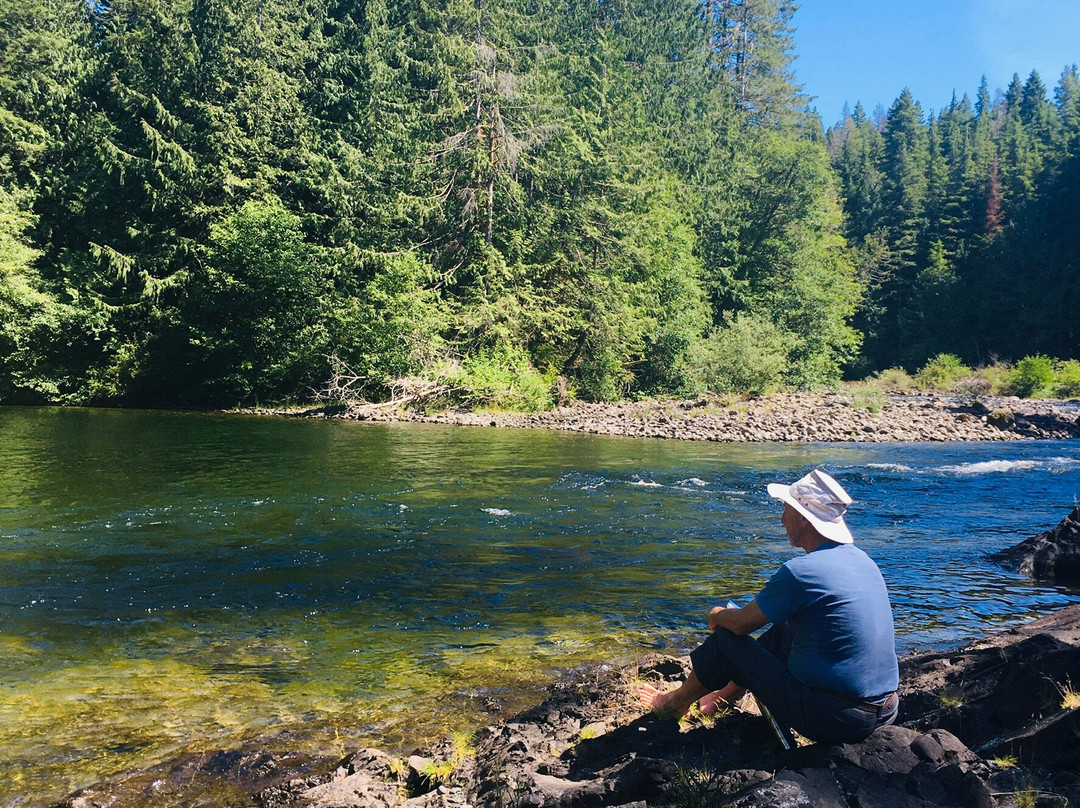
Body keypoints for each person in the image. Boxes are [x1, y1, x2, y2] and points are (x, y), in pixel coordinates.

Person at [639, 469, 899, 744]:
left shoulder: (801, 572)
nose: (782, 518)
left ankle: (674, 704)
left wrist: (717, 614)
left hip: (838, 718)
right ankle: (718, 698)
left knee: (726, 641)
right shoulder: (863, 561)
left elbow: (740, 624)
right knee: (783, 631)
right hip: (886, 708)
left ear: (803, 517)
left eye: (786, 509)